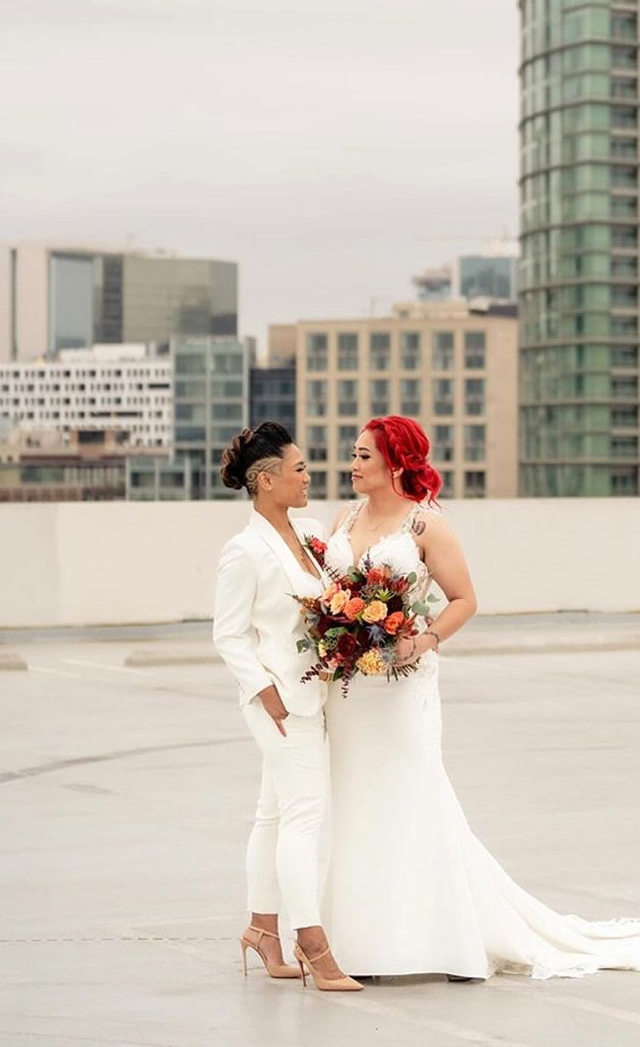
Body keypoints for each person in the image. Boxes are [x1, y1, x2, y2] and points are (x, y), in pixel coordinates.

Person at [320, 415, 640, 980]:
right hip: (349, 688)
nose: (353, 464)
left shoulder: (425, 525)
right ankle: (360, 942)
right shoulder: (342, 518)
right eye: (354, 454)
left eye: (363, 455)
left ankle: (444, 940)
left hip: (400, 686)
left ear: (395, 462)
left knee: (411, 798)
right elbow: (328, 595)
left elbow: (464, 599)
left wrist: (424, 640)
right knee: (356, 802)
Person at [213, 422, 361, 992]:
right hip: (276, 701)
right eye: (299, 469)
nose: (308, 477)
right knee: (306, 816)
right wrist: (264, 690)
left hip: (311, 691)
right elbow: (228, 634)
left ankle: (262, 930)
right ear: (266, 479)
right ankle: (315, 947)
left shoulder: (308, 532)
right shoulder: (244, 551)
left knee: (274, 814)